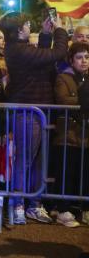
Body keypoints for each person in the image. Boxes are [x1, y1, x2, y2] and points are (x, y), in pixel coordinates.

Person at [0, 11, 68, 225]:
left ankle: (34, 205)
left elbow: (42, 60)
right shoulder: (17, 50)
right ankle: (18, 204)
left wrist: (46, 35)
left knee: (39, 161)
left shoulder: (22, 49)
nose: (30, 26)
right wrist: (59, 30)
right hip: (28, 113)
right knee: (25, 160)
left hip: (40, 110)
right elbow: (55, 54)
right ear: (20, 30)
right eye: (28, 24)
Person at [53, 42, 89, 227]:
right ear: (71, 60)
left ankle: (83, 209)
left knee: (85, 174)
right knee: (66, 173)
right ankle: (63, 209)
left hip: (85, 135)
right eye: (79, 57)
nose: (84, 61)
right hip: (67, 134)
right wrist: (84, 99)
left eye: (87, 57)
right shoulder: (63, 78)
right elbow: (63, 99)